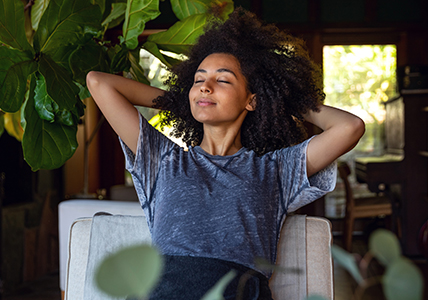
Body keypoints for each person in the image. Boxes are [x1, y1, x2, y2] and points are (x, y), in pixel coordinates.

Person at [86, 8, 365, 300]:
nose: (205, 87)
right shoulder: (162, 159)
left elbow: (350, 127)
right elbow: (99, 83)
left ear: (251, 100)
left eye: (223, 80)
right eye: (198, 80)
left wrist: (281, 99)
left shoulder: (276, 170)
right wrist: (184, 100)